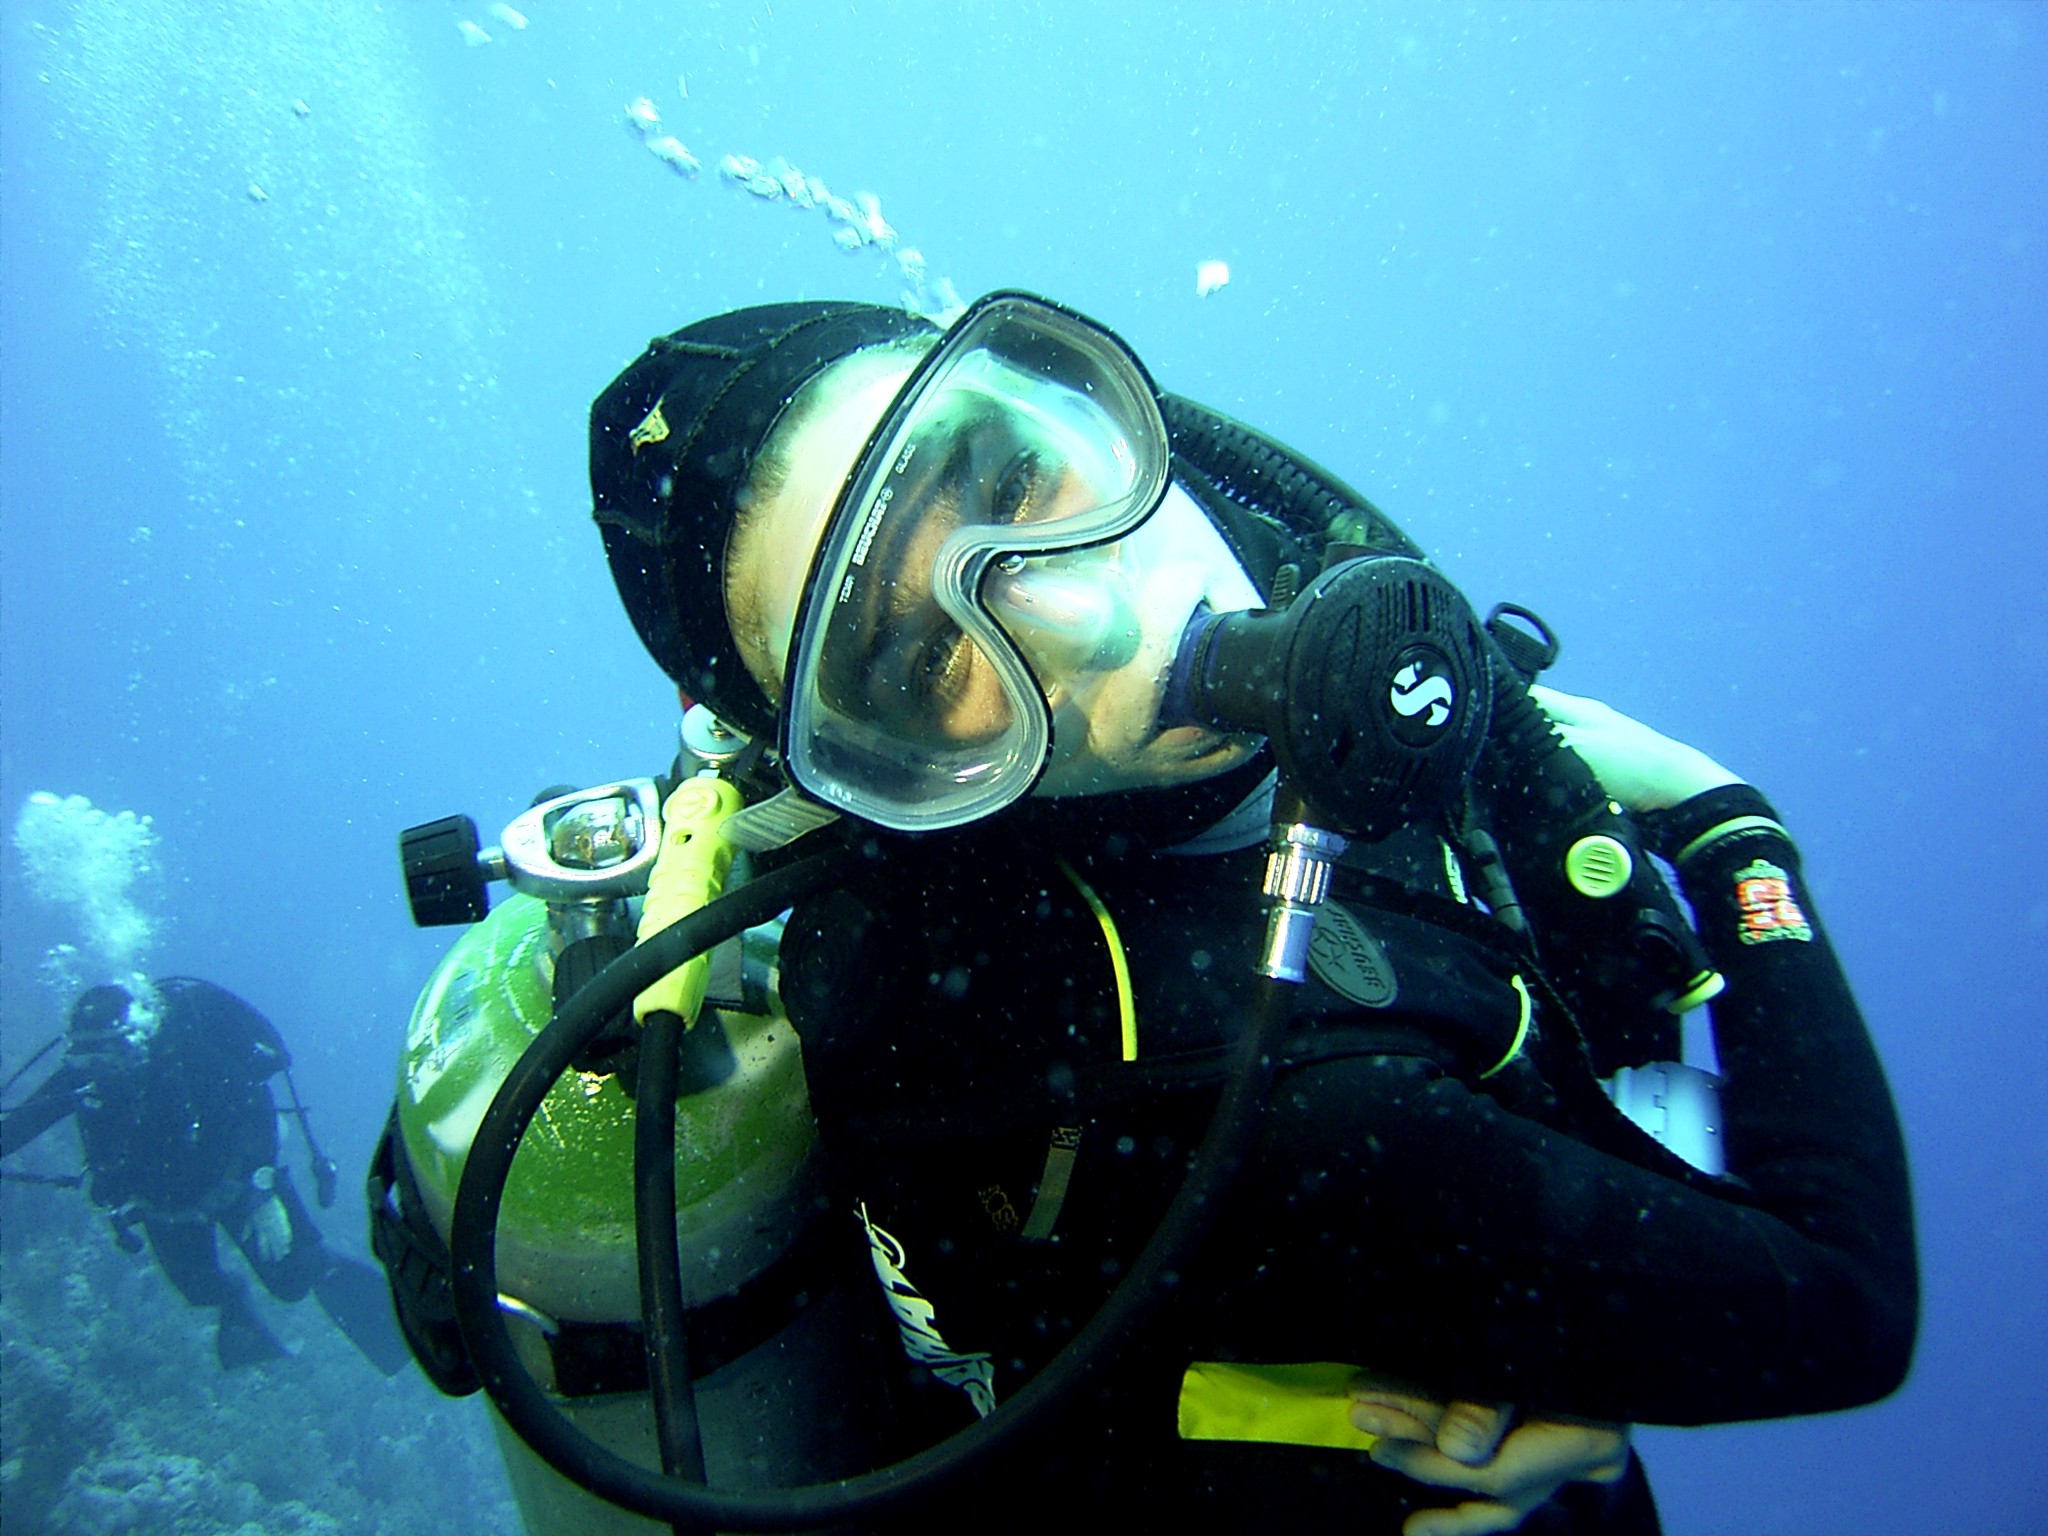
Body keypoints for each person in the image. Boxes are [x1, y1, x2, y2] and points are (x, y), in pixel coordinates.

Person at [392, 291, 1914, 1535]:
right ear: (880, 773)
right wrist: (1726, 822)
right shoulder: (1261, 1096)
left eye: (1007, 480)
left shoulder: (1061, 789)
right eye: (923, 661)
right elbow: (1842, 1305)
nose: (1082, 610)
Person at [2, 977, 409, 1375]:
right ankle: (238, 1308)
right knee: (199, 1291)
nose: (98, 1070)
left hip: (241, 1187)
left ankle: (367, 1297)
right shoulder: (85, 1080)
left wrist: (262, 1187)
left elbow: (256, 1115)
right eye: (85, 1059)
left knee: (294, 1278)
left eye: (109, 1054)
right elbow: (23, 1122)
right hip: (163, 1205)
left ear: (136, 1039)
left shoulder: (188, 1056)